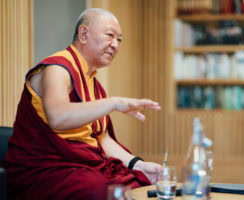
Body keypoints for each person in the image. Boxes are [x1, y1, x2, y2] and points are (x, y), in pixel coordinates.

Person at [4, 8, 162, 200]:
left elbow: (100, 138)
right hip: (44, 171)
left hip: (80, 168)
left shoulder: (93, 84)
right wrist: (113, 103)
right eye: (110, 35)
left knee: (142, 184)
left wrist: (138, 164)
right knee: (107, 193)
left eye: (119, 40)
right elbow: (58, 117)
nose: (115, 45)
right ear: (84, 34)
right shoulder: (57, 68)